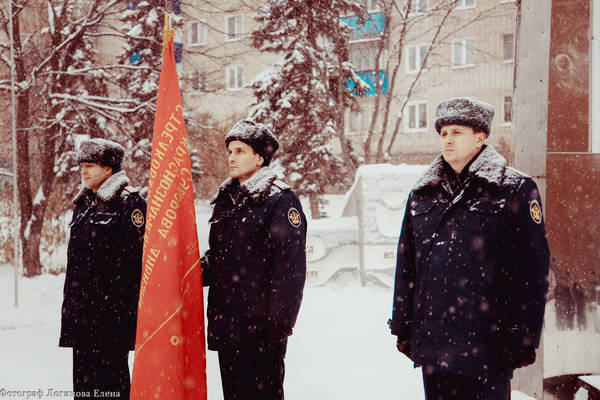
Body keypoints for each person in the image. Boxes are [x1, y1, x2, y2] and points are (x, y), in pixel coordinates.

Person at [388, 98, 550, 399]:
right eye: (443, 133)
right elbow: (407, 265)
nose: (447, 140)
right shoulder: (422, 193)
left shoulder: (513, 189)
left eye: (457, 132)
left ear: (480, 137)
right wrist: (402, 324)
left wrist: (523, 337)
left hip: (488, 346)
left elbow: (531, 271)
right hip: (435, 345)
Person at [202, 119, 307, 400]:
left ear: (260, 158)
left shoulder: (279, 199)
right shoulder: (226, 200)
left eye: (240, 151)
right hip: (227, 324)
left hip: (261, 330)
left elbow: (290, 268)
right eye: (230, 151)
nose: (231, 158)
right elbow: (221, 257)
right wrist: (192, 271)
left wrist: (279, 322)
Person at [59, 138, 146, 399]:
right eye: (81, 165)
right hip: (83, 318)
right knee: (84, 390)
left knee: (110, 389)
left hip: (110, 322)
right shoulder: (84, 205)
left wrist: (112, 308)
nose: (83, 171)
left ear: (108, 169)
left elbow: (134, 265)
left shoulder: (129, 204)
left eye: (90, 165)